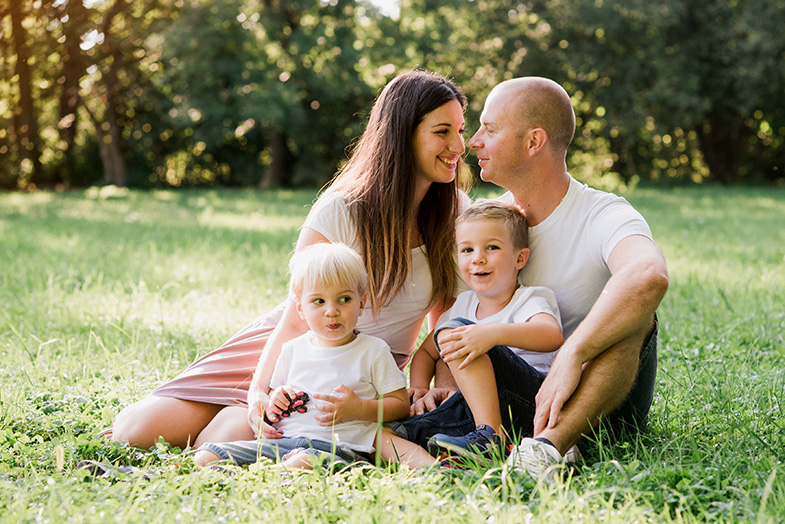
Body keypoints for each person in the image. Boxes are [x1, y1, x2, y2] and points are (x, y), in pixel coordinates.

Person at [109, 69, 470, 451]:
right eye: (443, 131)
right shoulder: (342, 209)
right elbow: (296, 320)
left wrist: (442, 385)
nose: (458, 145)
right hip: (292, 342)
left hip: (359, 365)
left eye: (461, 130)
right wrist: (258, 391)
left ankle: (226, 422)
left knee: (220, 442)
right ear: (402, 133)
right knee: (135, 434)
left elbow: (450, 318)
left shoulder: (457, 214)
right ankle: (227, 403)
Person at [397, 77, 669, 479]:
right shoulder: (487, 228)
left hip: (602, 408)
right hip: (514, 405)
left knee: (638, 315)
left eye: (489, 129)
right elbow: (454, 324)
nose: (472, 141)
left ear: (533, 141)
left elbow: (648, 275)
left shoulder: (603, 214)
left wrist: (572, 355)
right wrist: (452, 391)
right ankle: (490, 440)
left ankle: (549, 450)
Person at [194, 243, 434, 469]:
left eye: (344, 299)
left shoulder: (373, 351)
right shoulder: (292, 350)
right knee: (207, 455)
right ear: (301, 308)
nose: (332, 311)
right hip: (282, 442)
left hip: (335, 447)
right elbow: (278, 399)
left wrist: (359, 408)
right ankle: (262, 471)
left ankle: (266, 474)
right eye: (318, 301)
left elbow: (400, 406)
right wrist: (276, 399)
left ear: (362, 303)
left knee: (304, 462)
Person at [407, 200, 562, 461]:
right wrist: (421, 388)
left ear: (520, 258)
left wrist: (490, 334)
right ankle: (458, 453)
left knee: (455, 331)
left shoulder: (529, 299)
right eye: (467, 249)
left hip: (526, 402)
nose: (478, 257)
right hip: (471, 406)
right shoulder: (463, 304)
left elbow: (551, 335)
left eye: (492, 247)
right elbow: (425, 353)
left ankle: (492, 438)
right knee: (401, 430)